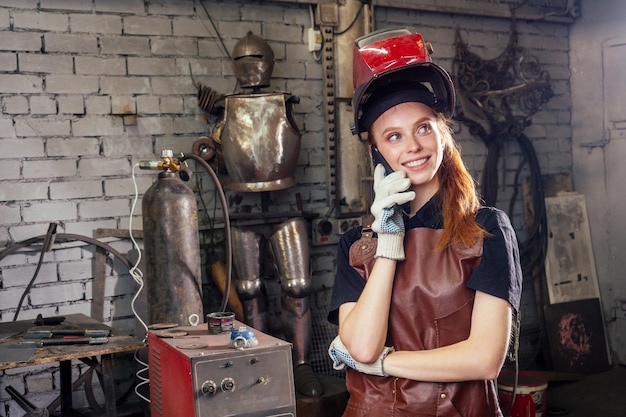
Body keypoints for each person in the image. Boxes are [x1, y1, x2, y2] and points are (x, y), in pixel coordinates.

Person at [327, 27, 523, 416]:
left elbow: (485, 358)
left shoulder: (486, 230)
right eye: (393, 137)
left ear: (442, 134)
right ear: (377, 151)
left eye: (422, 128)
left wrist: (383, 364)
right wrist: (387, 240)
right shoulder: (355, 244)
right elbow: (363, 346)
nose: (413, 146)